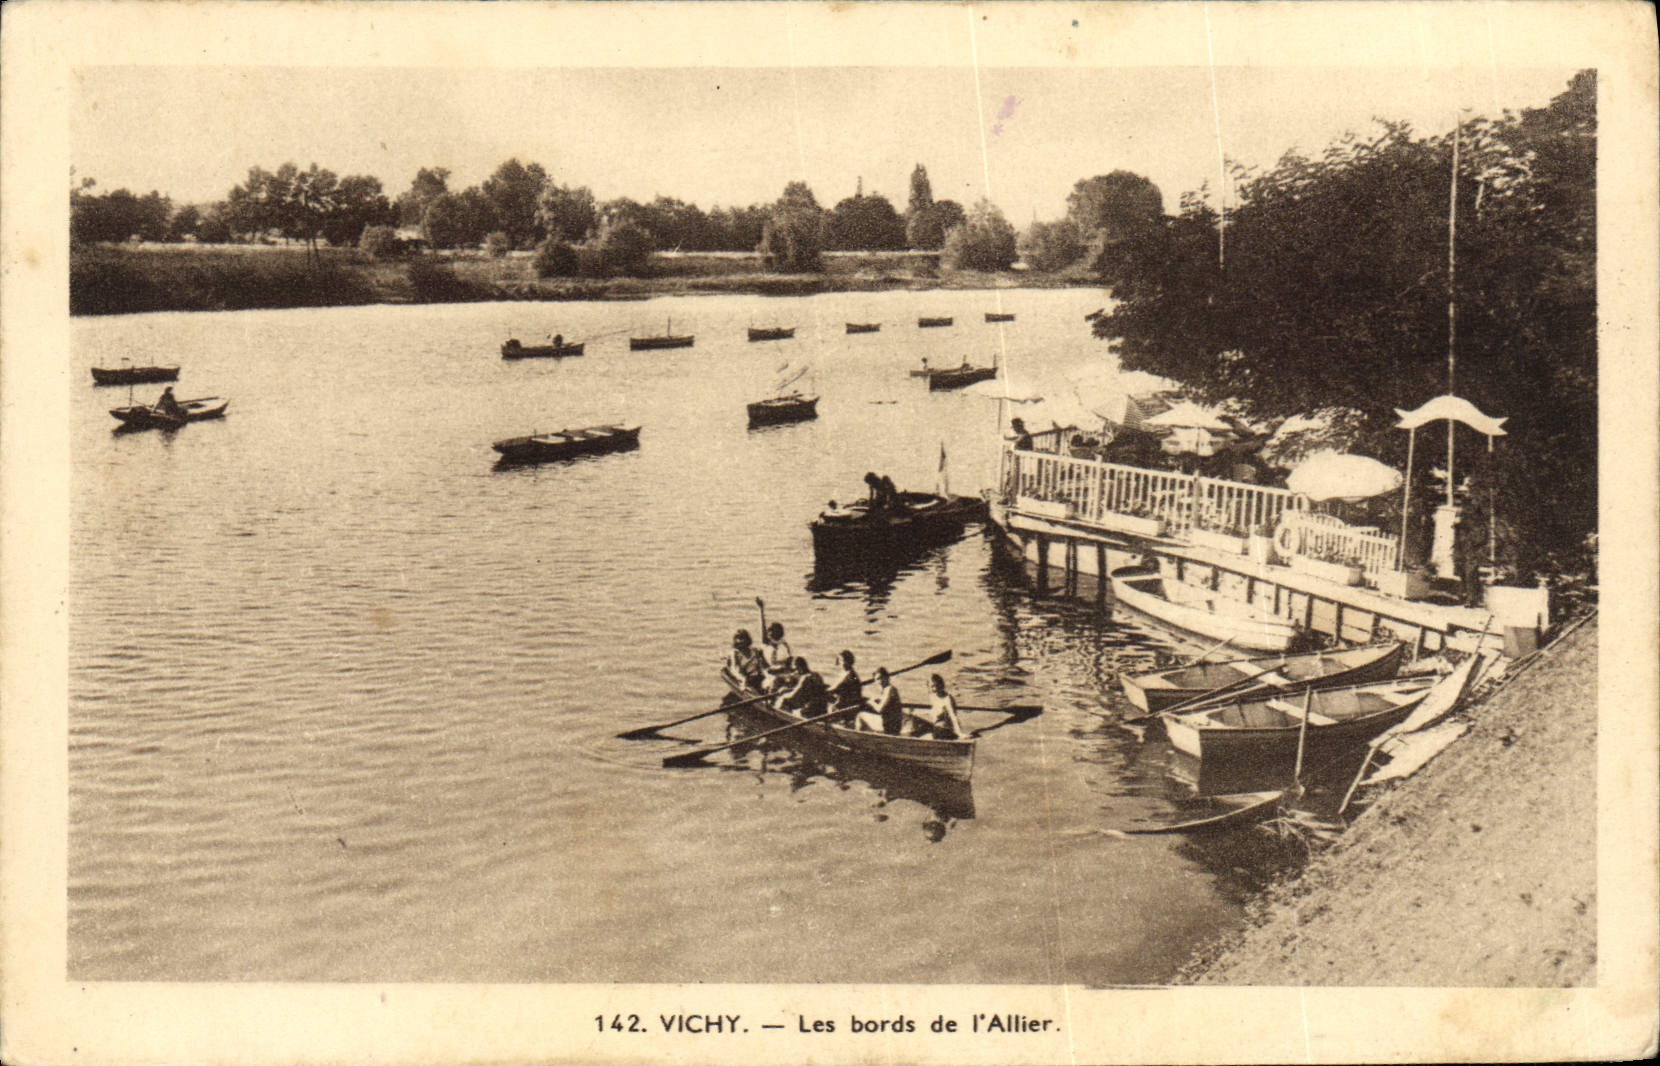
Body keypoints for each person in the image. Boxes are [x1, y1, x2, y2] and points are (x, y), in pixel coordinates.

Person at [856, 667, 905, 734]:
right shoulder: (887, 690)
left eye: (882, 678)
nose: (880, 681)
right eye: (877, 679)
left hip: (891, 725)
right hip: (892, 724)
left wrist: (871, 702)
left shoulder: (890, 689)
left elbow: (880, 709)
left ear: (887, 678)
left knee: (860, 715)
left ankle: (860, 737)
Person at [918, 673, 966, 740]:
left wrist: (959, 734)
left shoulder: (947, 699)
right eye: (932, 686)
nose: (934, 689)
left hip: (946, 730)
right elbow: (935, 710)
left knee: (923, 735)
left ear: (941, 685)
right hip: (936, 727)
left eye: (936, 685)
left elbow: (953, 717)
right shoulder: (933, 696)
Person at [760, 622, 794, 689]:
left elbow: (789, 662)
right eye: (769, 633)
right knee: (775, 681)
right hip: (770, 675)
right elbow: (763, 668)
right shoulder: (764, 648)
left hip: (784, 673)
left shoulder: (784, 646)